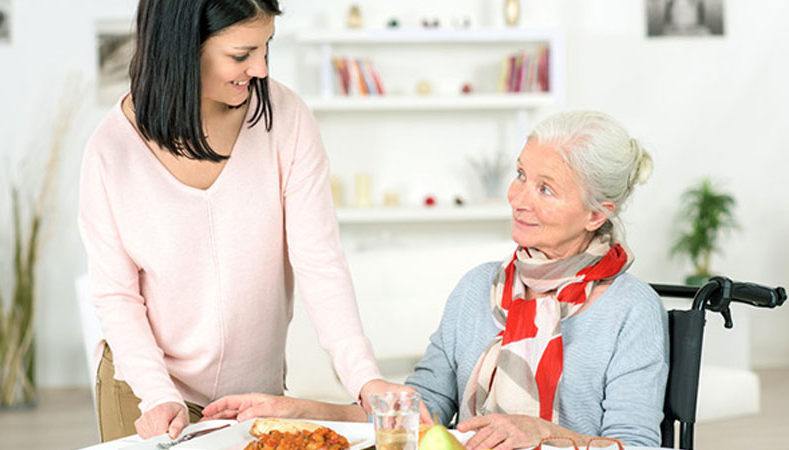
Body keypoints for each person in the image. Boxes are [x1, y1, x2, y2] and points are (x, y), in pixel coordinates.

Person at [202, 111, 668, 449]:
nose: (518, 199)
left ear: (595, 214)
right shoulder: (477, 288)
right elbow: (417, 412)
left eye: (545, 188)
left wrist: (542, 433)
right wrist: (299, 412)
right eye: (521, 175)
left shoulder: (631, 308)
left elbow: (636, 446)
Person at [77, 0, 410, 442]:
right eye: (241, 55)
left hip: (253, 400)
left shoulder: (287, 121)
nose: (260, 69)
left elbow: (319, 264)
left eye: (265, 48)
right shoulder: (111, 150)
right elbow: (116, 294)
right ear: (182, 46)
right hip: (145, 394)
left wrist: (364, 380)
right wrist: (158, 395)